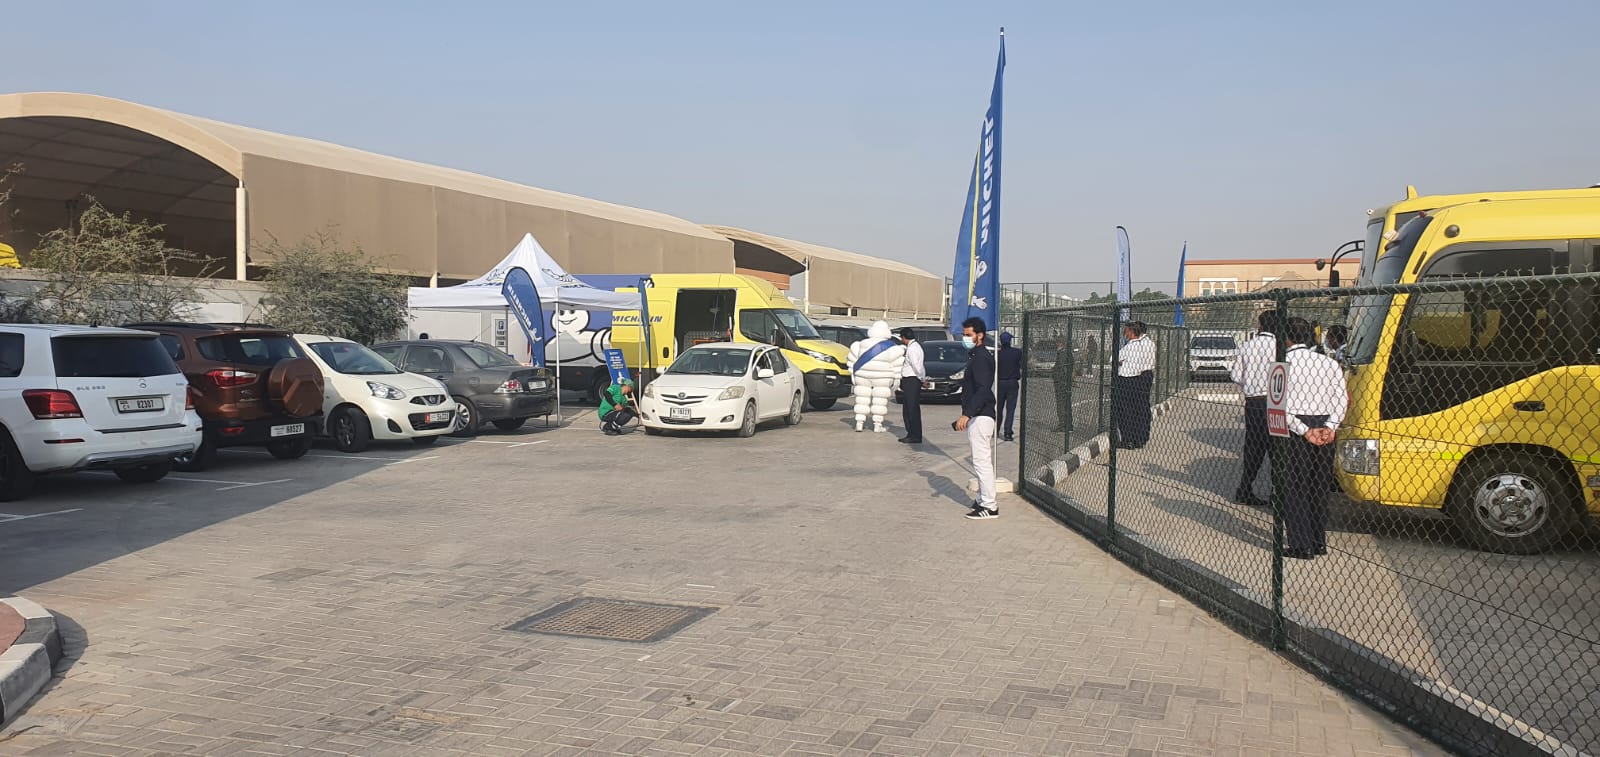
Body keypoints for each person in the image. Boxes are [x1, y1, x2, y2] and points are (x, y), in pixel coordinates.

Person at [1280, 317, 1348, 560]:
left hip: (1296, 429)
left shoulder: (1281, 365)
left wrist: (1304, 430)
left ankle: (1300, 543)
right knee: (1318, 487)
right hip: (1325, 425)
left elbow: (1278, 405)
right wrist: (1330, 427)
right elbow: (1342, 399)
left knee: (1295, 487)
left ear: (1286, 337)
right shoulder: (1329, 364)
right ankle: (1319, 541)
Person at [1231, 310, 1280, 508]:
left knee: (1254, 447)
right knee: (1278, 449)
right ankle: (1277, 494)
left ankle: (1245, 488)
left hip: (1254, 403)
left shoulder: (1248, 346)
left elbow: (1235, 375)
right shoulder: (1281, 347)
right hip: (1277, 402)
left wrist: (1250, 383)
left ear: (1260, 325)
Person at [955, 317, 999, 520]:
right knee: (980, 460)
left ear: (979, 335)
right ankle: (982, 500)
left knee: (982, 461)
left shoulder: (981, 357)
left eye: (968, 335)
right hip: (978, 415)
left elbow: (982, 389)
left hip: (981, 415)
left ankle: (990, 506)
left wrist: (967, 413)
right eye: (964, 335)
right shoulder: (976, 355)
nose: (965, 338)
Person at [845, 321, 906, 433]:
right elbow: (897, 364)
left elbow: (852, 360)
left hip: (862, 375)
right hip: (883, 377)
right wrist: (897, 379)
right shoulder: (892, 347)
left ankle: (859, 423)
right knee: (880, 400)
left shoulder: (861, 344)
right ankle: (877, 424)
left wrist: (853, 374)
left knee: (861, 399)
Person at [1111, 321, 1155, 450]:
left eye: (1126, 331)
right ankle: (1141, 438)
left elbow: (1113, 359)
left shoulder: (1132, 345)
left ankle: (1128, 439)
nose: (1125, 333)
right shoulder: (1150, 343)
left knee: (1125, 410)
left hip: (1128, 378)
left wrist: (1121, 363)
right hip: (1145, 376)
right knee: (1141, 409)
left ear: (1132, 331)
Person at [897, 327, 926, 444]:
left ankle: (914, 434)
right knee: (909, 408)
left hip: (912, 380)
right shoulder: (914, 347)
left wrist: (921, 378)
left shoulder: (913, 348)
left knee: (911, 408)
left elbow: (917, 366)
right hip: (912, 379)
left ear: (904, 337)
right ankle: (912, 433)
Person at [996, 331, 1022, 442]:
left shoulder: (998, 354)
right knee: (1010, 409)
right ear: (1009, 341)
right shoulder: (1016, 352)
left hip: (1000, 382)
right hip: (1012, 382)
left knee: (999, 408)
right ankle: (1007, 432)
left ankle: (996, 429)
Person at [1051, 333, 1074, 434]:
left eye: (1058, 343)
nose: (1057, 345)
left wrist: (1054, 373)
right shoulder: (1069, 353)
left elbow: (1061, 368)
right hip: (1066, 381)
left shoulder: (1062, 353)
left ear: (1061, 343)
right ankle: (1069, 425)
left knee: (1061, 403)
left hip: (1061, 382)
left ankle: (1062, 425)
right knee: (1067, 403)